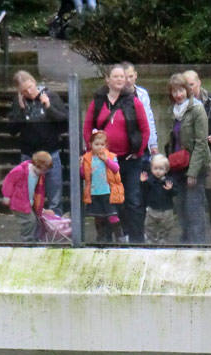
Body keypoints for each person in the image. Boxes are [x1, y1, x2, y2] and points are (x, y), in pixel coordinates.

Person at [83, 64, 150, 243]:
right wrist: (94, 152)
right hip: (104, 160)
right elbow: (88, 127)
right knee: (108, 200)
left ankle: (136, 238)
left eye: (122, 76)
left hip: (129, 160)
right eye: (116, 76)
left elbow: (145, 129)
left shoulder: (134, 101)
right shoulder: (98, 101)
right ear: (108, 79)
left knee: (133, 199)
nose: (120, 79)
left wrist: (138, 151)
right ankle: (110, 237)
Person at [8, 71, 68, 216]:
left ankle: (56, 227)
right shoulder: (18, 102)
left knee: (54, 196)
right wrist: (22, 110)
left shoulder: (51, 97)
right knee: (30, 196)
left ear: (34, 82)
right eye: (24, 90)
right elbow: (12, 130)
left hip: (50, 153)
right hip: (29, 156)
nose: (29, 92)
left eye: (30, 87)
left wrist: (48, 107)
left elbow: (64, 124)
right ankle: (33, 231)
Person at [165, 73, 211, 244]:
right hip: (177, 165)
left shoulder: (197, 110)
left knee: (194, 209)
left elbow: (201, 144)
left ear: (188, 90)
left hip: (194, 167)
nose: (178, 94)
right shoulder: (173, 111)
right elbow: (173, 140)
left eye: (181, 90)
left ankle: (198, 245)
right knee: (181, 208)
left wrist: (193, 172)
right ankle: (185, 244)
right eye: (174, 91)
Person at [184, 70, 211, 241]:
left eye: (191, 85)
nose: (188, 89)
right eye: (185, 86)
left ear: (199, 83)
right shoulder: (181, 103)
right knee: (194, 197)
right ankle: (195, 235)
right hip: (189, 155)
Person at [80, 130, 125, 243]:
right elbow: (84, 175)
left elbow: (116, 169)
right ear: (90, 145)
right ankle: (101, 238)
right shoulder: (87, 158)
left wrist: (106, 160)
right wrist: (80, 166)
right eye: (96, 144)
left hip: (108, 192)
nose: (99, 147)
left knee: (112, 215)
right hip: (94, 193)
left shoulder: (110, 156)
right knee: (98, 217)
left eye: (102, 145)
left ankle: (120, 236)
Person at [1, 151, 53, 242]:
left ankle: (35, 239)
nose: (43, 172)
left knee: (37, 221)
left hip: (29, 202)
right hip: (19, 202)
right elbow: (8, 182)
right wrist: (7, 196)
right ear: (38, 165)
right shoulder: (20, 170)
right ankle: (26, 240)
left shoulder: (39, 176)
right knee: (29, 221)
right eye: (43, 170)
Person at [124, 63, 159, 156]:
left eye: (131, 76)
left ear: (135, 75)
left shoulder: (143, 93)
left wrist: (153, 144)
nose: (128, 80)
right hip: (127, 143)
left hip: (144, 141)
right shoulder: (118, 95)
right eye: (125, 77)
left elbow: (149, 118)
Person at [140, 154, 176, 244]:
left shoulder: (169, 180)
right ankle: (150, 240)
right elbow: (144, 192)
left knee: (166, 226)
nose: (158, 171)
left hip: (166, 209)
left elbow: (176, 192)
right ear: (151, 169)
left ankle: (163, 240)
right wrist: (142, 182)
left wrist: (170, 189)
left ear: (166, 170)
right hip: (152, 208)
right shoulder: (150, 180)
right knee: (150, 225)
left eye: (161, 169)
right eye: (155, 169)